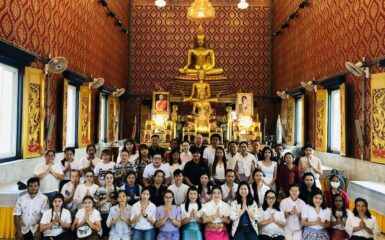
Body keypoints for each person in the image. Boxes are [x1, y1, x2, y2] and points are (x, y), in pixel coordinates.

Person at [94, 171, 117, 239]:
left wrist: (109, 199)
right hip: (102, 215)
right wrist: (106, 199)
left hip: (114, 215)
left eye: (111, 178)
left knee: (112, 234)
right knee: (104, 235)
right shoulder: (99, 189)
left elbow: (118, 203)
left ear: (113, 179)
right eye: (107, 178)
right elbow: (96, 204)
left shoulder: (117, 189)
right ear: (104, 179)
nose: (109, 179)